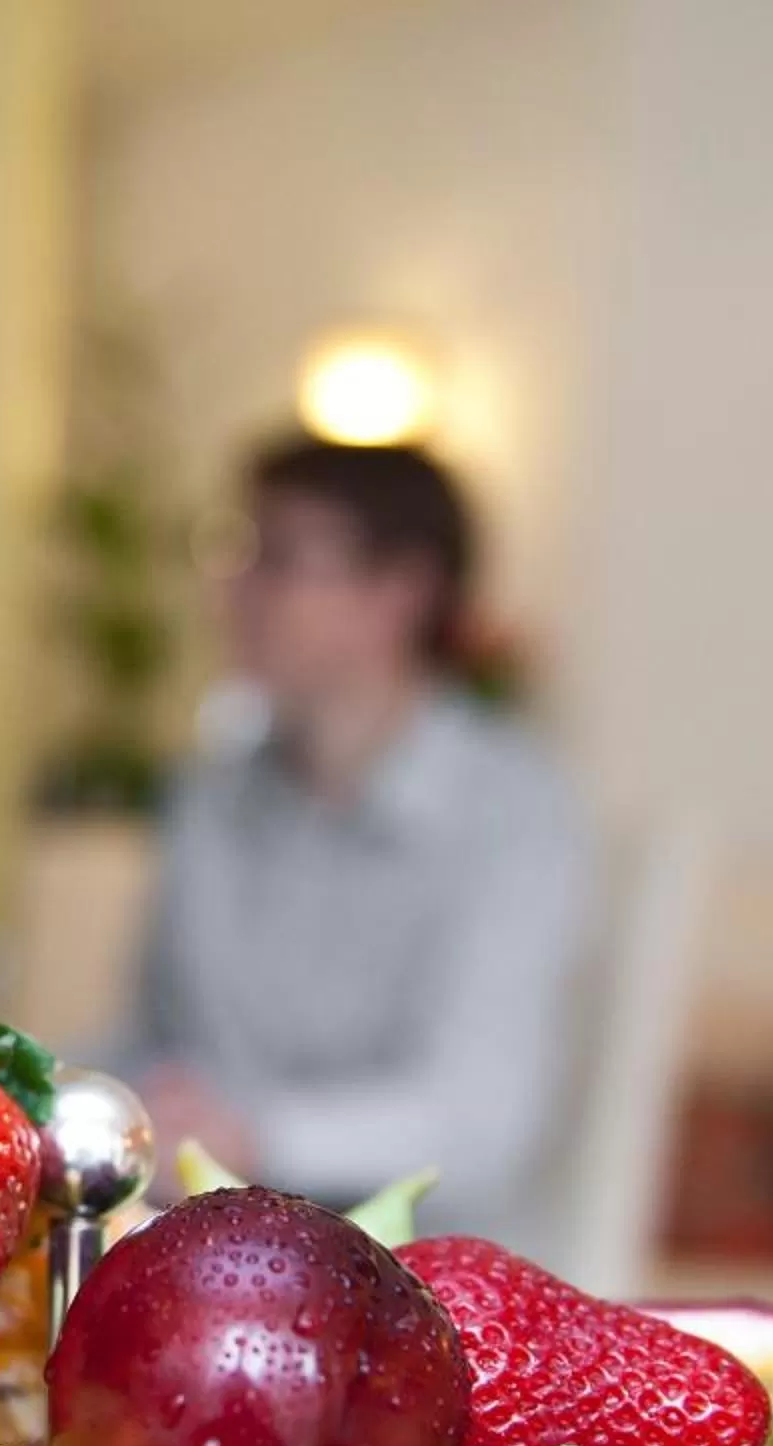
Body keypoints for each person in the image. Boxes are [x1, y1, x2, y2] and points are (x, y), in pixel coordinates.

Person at [133, 437, 596, 1242]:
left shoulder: (511, 812)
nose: (232, 588)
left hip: (433, 1284)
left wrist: (254, 1135)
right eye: (235, 550)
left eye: (277, 557)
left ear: (400, 592)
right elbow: (159, 1037)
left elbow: (480, 1120)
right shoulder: (213, 794)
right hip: (214, 1246)